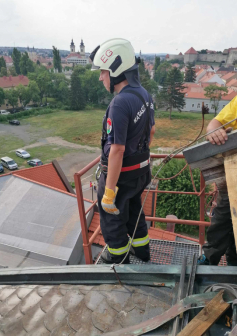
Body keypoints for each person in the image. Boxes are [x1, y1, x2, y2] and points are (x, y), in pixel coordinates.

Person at [90, 38, 155, 264]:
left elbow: (117, 150)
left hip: (121, 174)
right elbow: (151, 131)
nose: (100, 77)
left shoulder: (120, 103)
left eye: (103, 72)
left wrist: (108, 191)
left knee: (112, 216)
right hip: (140, 171)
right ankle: (142, 250)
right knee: (135, 208)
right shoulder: (144, 95)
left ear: (116, 71)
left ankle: (118, 257)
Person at [198, 89, 237, 266]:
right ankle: (209, 259)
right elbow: (215, 124)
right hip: (235, 179)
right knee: (221, 222)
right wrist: (214, 131)